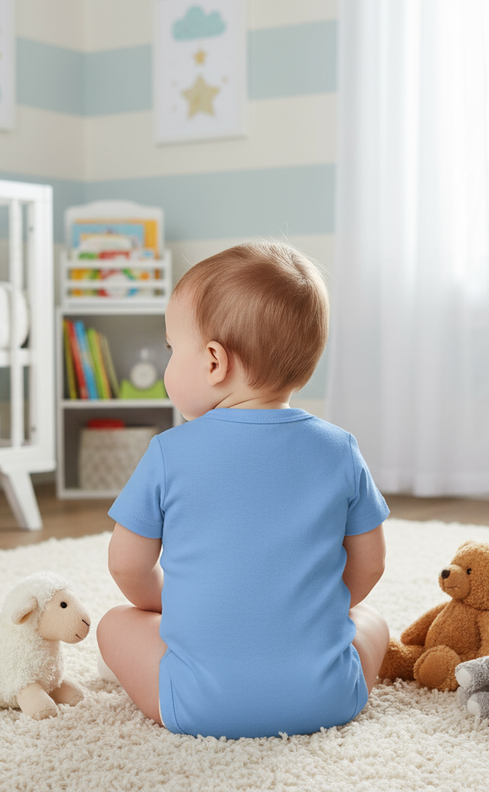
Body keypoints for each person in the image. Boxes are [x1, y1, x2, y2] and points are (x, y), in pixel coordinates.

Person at [97, 240, 389, 739]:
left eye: (171, 349)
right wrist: (313, 610)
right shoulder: (340, 449)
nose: (169, 361)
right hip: (329, 699)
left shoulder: (169, 452)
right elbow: (370, 562)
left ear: (213, 361)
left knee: (115, 622)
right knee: (373, 619)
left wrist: (169, 608)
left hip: (195, 705)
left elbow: (127, 564)